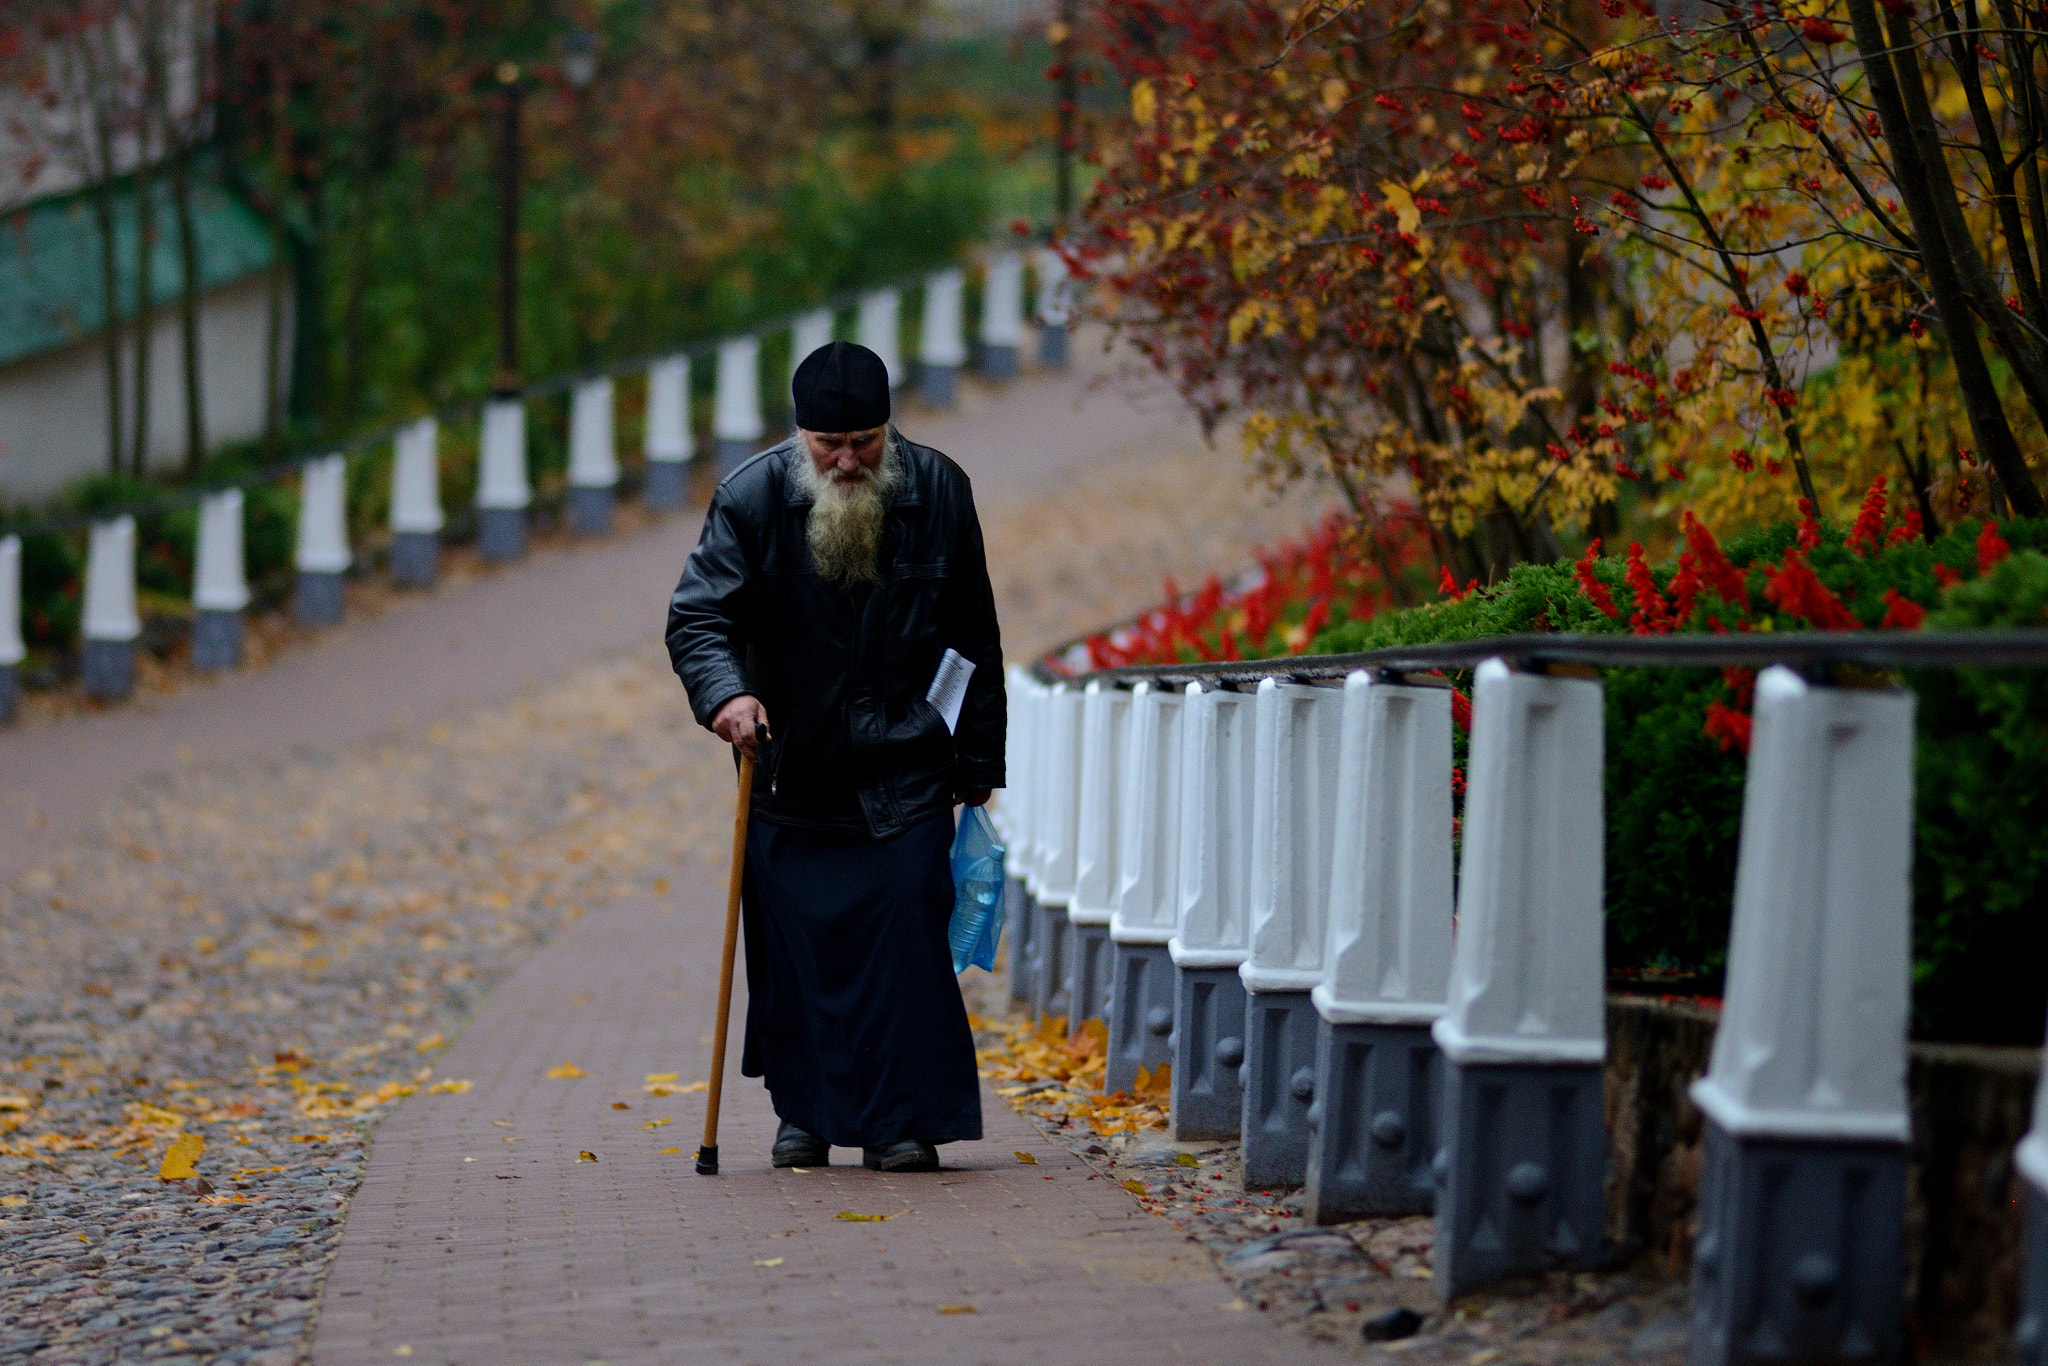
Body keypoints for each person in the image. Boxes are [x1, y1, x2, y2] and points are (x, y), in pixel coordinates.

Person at [665, 340, 1006, 1173]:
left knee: (904, 948)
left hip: (907, 766)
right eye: (831, 446)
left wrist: (974, 769)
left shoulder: (939, 490)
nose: (849, 461)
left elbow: (974, 634)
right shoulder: (749, 499)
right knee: (799, 956)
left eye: (865, 442)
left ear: (888, 431)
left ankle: (901, 1123)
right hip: (790, 766)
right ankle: (806, 1117)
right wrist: (727, 696)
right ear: (801, 437)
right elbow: (698, 618)